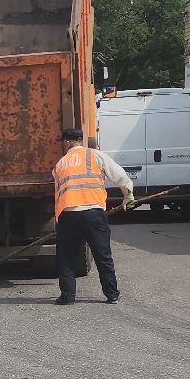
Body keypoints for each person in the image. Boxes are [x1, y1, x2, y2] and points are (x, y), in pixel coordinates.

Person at [50, 127, 135, 305]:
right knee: (103, 255)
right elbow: (119, 175)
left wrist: (59, 219)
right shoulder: (95, 156)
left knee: (66, 258)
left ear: (67, 142)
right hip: (94, 214)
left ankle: (67, 296)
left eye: (64, 142)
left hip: (69, 215)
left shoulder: (60, 164)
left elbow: (58, 195)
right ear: (80, 141)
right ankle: (112, 294)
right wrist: (128, 195)